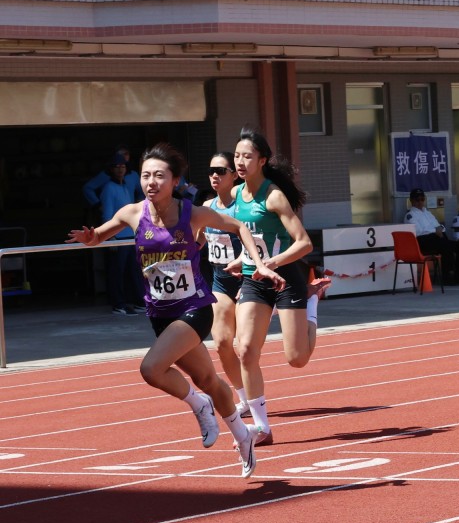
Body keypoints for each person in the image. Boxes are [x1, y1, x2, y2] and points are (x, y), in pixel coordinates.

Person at [67, 142, 285, 479]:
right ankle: (243, 437)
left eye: (159, 176)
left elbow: (239, 227)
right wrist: (89, 236)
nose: (151, 182)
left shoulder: (191, 213)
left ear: (175, 180)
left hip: (195, 308)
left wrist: (258, 264)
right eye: (146, 176)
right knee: (208, 379)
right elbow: (100, 235)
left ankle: (199, 406)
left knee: (152, 368)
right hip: (160, 314)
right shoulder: (132, 213)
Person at [232, 127, 332, 446]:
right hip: (254, 279)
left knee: (297, 358)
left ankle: (312, 303)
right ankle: (261, 427)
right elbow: (249, 234)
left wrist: (270, 263)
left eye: (247, 156)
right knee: (245, 348)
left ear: (262, 160)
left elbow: (303, 243)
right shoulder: (236, 195)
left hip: (287, 277)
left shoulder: (273, 196)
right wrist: (243, 259)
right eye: (237, 155)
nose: (240, 161)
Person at [202, 152, 247, 417]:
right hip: (221, 281)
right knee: (221, 342)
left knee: (244, 346)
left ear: (233, 174)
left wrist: (244, 260)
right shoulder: (207, 207)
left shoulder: (244, 205)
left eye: (221, 170)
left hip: (250, 282)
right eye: (211, 171)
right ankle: (243, 398)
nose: (215, 175)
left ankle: (255, 398)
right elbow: (197, 240)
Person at [99, 152, 147, 315]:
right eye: (116, 167)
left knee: (133, 271)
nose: (120, 169)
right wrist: (110, 236)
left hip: (131, 236)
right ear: (110, 170)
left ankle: (136, 301)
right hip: (117, 237)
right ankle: (118, 304)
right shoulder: (108, 188)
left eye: (123, 166)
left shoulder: (126, 186)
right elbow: (107, 213)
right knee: (117, 272)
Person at [405, 188, 458, 281]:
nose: (420, 202)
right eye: (417, 200)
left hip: (435, 238)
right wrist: (436, 231)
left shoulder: (427, 213)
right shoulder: (410, 215)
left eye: (422, 199)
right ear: (411, 200)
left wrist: (439, 230)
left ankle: (458, 273)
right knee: (445, 243)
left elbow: (439, 226)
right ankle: (448, 275)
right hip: (421, 241)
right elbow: (418, 232)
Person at [83, 146, 143, 223]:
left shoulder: (133, 175)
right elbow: (87, 188)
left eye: (126, 154)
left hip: (129, 219)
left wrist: (137, 206)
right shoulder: (107, 180)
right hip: (112, 218)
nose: (120, 169)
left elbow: (141, 193)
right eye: (117, 167)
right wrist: (98, 205)